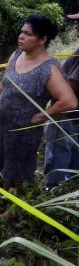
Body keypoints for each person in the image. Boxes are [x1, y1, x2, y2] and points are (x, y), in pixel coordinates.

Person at [0, 15, 77, 200]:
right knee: (6, 163)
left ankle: (16, 211)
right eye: (21, 32)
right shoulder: (16, 54)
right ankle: (5, 199)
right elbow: (4, 84)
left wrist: (41, 116)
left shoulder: (48, 68)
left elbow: (69, 101)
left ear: (42, 40)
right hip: (4, 125)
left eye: (28, 34)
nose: (21, 37)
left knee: (21, 171)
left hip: (24, 131)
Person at [44, 12, 79, 189]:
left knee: (59, 151)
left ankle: (52, 189)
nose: (76, 25)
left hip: (67, 113)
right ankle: (69, 187)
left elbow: (69, 88)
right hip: (73, 114)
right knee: (73, 151)